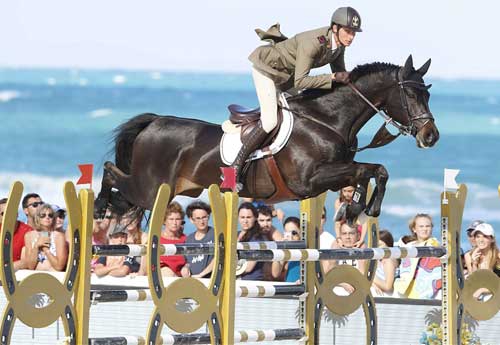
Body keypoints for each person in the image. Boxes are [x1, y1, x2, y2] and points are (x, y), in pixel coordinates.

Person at [232, 7, 362, 189]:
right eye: (348, 31)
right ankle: (234, 169)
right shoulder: (314, 43)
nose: (351, 37)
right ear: (335, 28)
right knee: (270, 121)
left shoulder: (338, 46)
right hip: (267, 71)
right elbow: (302, 81)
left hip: (286, 77)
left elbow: (340, 74)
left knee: (306, 111)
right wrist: (332, 78)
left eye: (354, 33)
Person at [394, 214, 442, 299]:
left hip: (426, 285)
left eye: (428, 226)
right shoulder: (409, 246)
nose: (425, 229)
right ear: (414, 229)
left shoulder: (435, 244)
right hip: (407, 283)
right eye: (421, 226)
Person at [140, 202, 189, 277]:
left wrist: (186, 267)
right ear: (164, 221)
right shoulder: (155, 238)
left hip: (181, 278)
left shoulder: (186, 239)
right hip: (160, 277)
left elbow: (190, 260)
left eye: (178, 219)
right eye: (171, 219)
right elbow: (145, 263)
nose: (174, 223)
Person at [23, 203, 68, 271]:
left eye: (50, 215)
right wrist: (36, 246)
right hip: (34, 277)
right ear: (37, 217)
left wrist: (46, 250)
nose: (47, 217)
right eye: (43, 215)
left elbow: (59, 266)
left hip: (54, 277)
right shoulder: (29, 236)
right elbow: (30, 266)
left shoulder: (59, 236)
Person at [184, 201, 215, 278]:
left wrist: (201, 275)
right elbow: (188, 261)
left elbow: (218, 258)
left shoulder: (216, 235)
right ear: (191, 220)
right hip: (193, 282)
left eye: (204, 217)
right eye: (198, 218)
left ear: (209, 216)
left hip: (211, 282)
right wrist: (185, 268)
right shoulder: (189, 239)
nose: (201, 221)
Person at [0, 197, 32, 270]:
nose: (7, 216)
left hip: (15, 276)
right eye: (3, 213)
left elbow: (25, 262)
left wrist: (2, 269)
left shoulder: (27, 231)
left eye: (10, 212)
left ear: (17, 214)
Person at [238, 202, 266, 280]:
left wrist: (226, 271)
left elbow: (248, 267)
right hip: (236, 281)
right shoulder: (234, 235)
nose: (245, 220)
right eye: (242, 217)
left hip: (252, 283)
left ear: (255, 218)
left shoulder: (258, 238)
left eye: (249, 217)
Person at [272, 217, 302, 283]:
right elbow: (275, 273)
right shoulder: (286, 252)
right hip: (290, 289)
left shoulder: (307, 251)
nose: (290, 236)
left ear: (301, 233)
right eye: (287, 233)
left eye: (294, 233)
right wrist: (279, 251)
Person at [371, 230, 397, 297]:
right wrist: (372, 284)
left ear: (388, 245)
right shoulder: (379, 259)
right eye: (375, 245)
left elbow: (388, 287)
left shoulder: (389, 260)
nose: (376, 248)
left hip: (387, 295)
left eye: (379, 245)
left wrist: (370, 277)